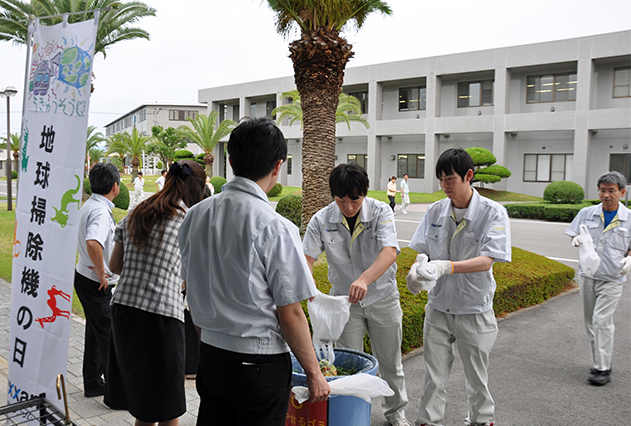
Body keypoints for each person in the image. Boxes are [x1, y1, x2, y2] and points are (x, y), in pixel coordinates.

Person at [178, 117, 330, 426]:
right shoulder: (275, 226)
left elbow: (190, 289)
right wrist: (315, 373)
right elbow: (291, 314)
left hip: (210, 355)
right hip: (258, 363)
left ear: (231, 160)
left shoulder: (194, 216)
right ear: (278, 166)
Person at [407, 148, 511, 426]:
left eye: (449, 179)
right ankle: (428, 421)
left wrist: (446, 267)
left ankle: (481, 420)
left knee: (477, 375)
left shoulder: (493, 213)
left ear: (468, 176)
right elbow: (422, 252)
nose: (444, 186)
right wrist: (415, 271)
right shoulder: (435, 211)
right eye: (440, 179)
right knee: (434, 374)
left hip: (473, 308)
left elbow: (487, 260)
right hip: (439, 307)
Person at [303, 162, 411, 426]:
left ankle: (396, 413)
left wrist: (364, 279)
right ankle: (353, 418)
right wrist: (308, 291)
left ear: (364, 193)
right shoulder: (321, 219)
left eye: (355, 199)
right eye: (341, 200)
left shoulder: (381, 211)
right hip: (344, 304)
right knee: (350, 367)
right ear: (333, 196)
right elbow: (306, 259)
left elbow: (390, 251)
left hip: (382, 296)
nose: (349, 207)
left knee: (390, 364)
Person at [104, 160, 207, 426]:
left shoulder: (138, 210)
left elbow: (115, 266)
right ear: (196, 189)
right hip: (160, 316)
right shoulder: (187, 219)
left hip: (124, 311)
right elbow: (194, 275)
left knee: (146, 405)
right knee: (168, 405)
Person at [565, 171, 631, 386]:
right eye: (602, 190)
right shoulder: (586, 213)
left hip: (612, 277)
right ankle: (599, 361)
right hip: (588, 275)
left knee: (602, 321)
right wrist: (576, 240)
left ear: (621, 192)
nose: (606, 195)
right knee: (590, 323)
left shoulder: (629, 219)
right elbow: (575, 233)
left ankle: (602, 368)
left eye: (611, 191)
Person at [74, 163, 121, 398]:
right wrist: (103, 273)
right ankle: (116, 391)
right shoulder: (100, 211)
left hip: (86, 277)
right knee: (110, 335)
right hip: (95, 282)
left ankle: (93, 383)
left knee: (95, 333)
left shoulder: (90, 205)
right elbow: (93, 242)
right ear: (115, 186)